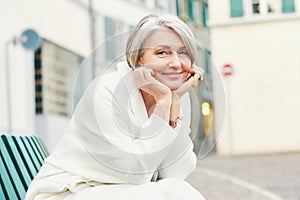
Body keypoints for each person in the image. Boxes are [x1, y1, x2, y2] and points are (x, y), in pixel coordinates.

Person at [25, 13, 206, 200]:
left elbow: (176, 172)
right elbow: (134, 174)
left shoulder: (174, 96)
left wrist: (174, 104)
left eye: (183, 53)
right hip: (67, 192)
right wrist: (164, 106)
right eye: (162, 52)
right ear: (138, 59)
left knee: (175, 189)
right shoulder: (106, 91)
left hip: (114, 191)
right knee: (173, 193)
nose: (176, 64)